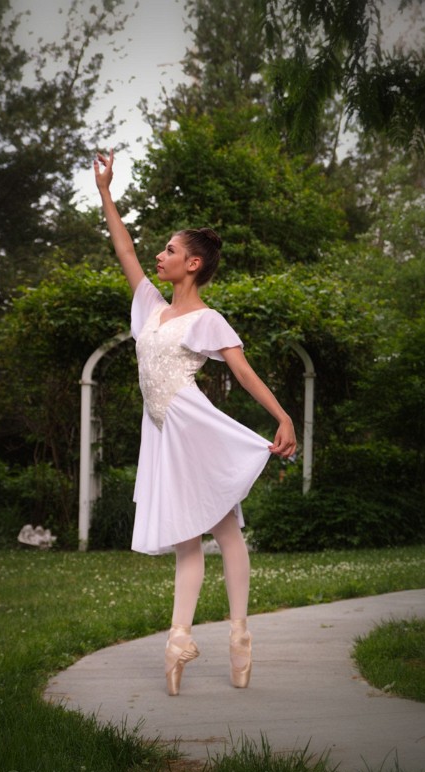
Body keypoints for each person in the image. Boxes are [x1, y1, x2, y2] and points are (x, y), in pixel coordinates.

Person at [94, 150, 296, 696]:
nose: (159, 256)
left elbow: (244, 373)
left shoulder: (207, 319)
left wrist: (282, 416)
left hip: (193, 426)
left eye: (170, 250)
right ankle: (179, 637)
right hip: (162, 433)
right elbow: (124, 248)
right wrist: (106, 192)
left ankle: (239, 631)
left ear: (194, 264)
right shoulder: (149, 307)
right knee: (188, 538)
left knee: (224, 529)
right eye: (162, 249)